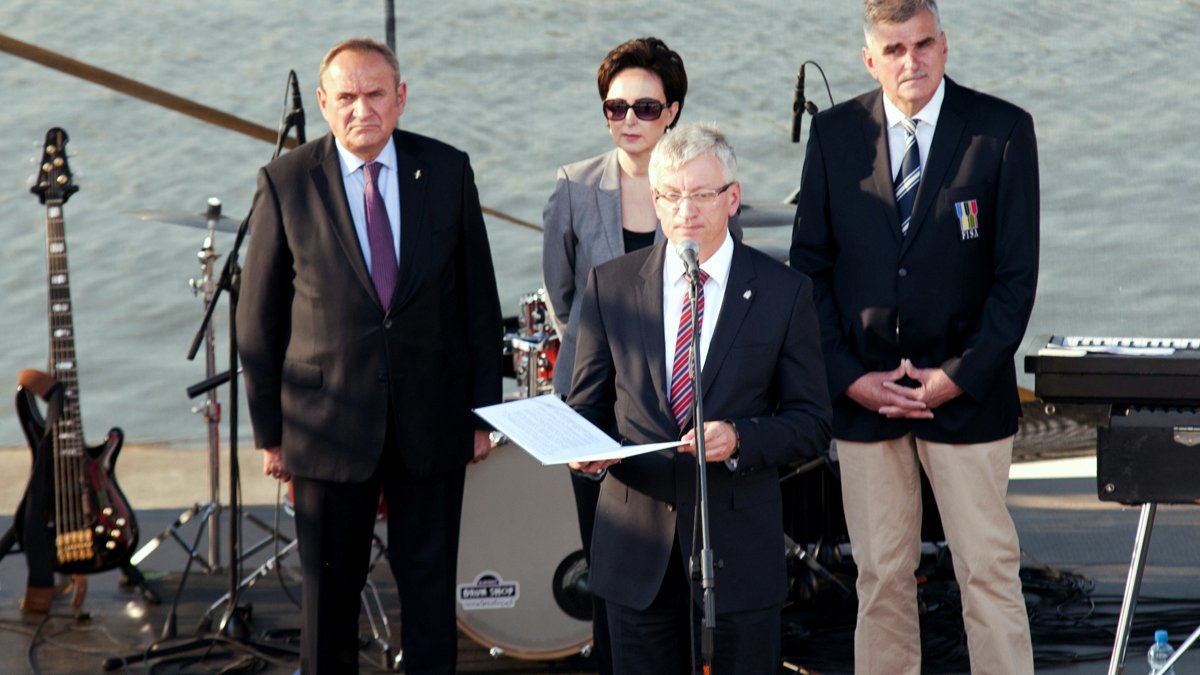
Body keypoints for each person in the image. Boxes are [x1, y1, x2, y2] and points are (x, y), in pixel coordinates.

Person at [237, 37, 502, 674]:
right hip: (325, 427)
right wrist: (272, 433)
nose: (363, 109)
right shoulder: (286, 182)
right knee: (329, 607)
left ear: (400, 98)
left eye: (376, 94)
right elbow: (256, 320)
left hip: (432, 425)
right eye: (348, 97)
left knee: (431, 600)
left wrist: (482, 416)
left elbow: (478, 302)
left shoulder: (446, 170)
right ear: (324, 105)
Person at [788, 1, 1039, 673]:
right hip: (865, 400)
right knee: (881, 577)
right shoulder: (836, 135)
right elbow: (810, 268)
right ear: (870, 60)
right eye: (894, 50)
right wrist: (848, 378)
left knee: (987, 572)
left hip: (967, 395)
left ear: (945, 46)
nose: (912, 61)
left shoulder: (1003, 131)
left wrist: (956, 375)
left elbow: (1015, 280)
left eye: (923, 44)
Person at [568, 122, 832, 674]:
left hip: (737, 550)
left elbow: (812, 422)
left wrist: (740, 437)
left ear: (732, 198)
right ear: (655, 200)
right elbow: (586, 407)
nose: (685, 209)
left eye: (702, 193)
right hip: (635, 550)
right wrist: (584, 451)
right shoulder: (609, 287)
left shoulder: (784, 292)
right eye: (671, 194)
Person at [540, 36, 687, 674]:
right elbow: (563, 294)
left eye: (645, 108)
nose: (629, 120)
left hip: (677, 401)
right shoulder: (573, 186)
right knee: (607, 564)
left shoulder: (695, 185)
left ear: (673, 111)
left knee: (677, 565)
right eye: (616, 107)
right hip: (595, 403)